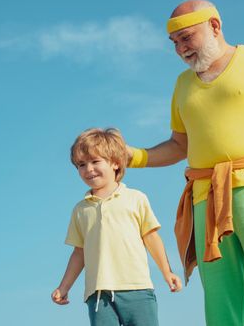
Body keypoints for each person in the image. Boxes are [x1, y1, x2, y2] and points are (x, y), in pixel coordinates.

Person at [127, 0, 244, 325]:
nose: (180, 49)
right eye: (175, 43)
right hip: (206, 199)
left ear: (215, 26)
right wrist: (132, 156)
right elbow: (178, 145)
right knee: (220, 303)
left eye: (187, 38)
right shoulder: (182, 85)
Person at [51, 128, 182, 326]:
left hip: (137, 289)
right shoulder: (80, 209)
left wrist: (167, 272)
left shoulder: (136, 198)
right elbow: (79, 252)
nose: (88, 169)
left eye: (95, 161)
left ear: (115, 163)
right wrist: (64, 286)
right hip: (98, 295)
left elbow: (151, 237)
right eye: (81, 164)